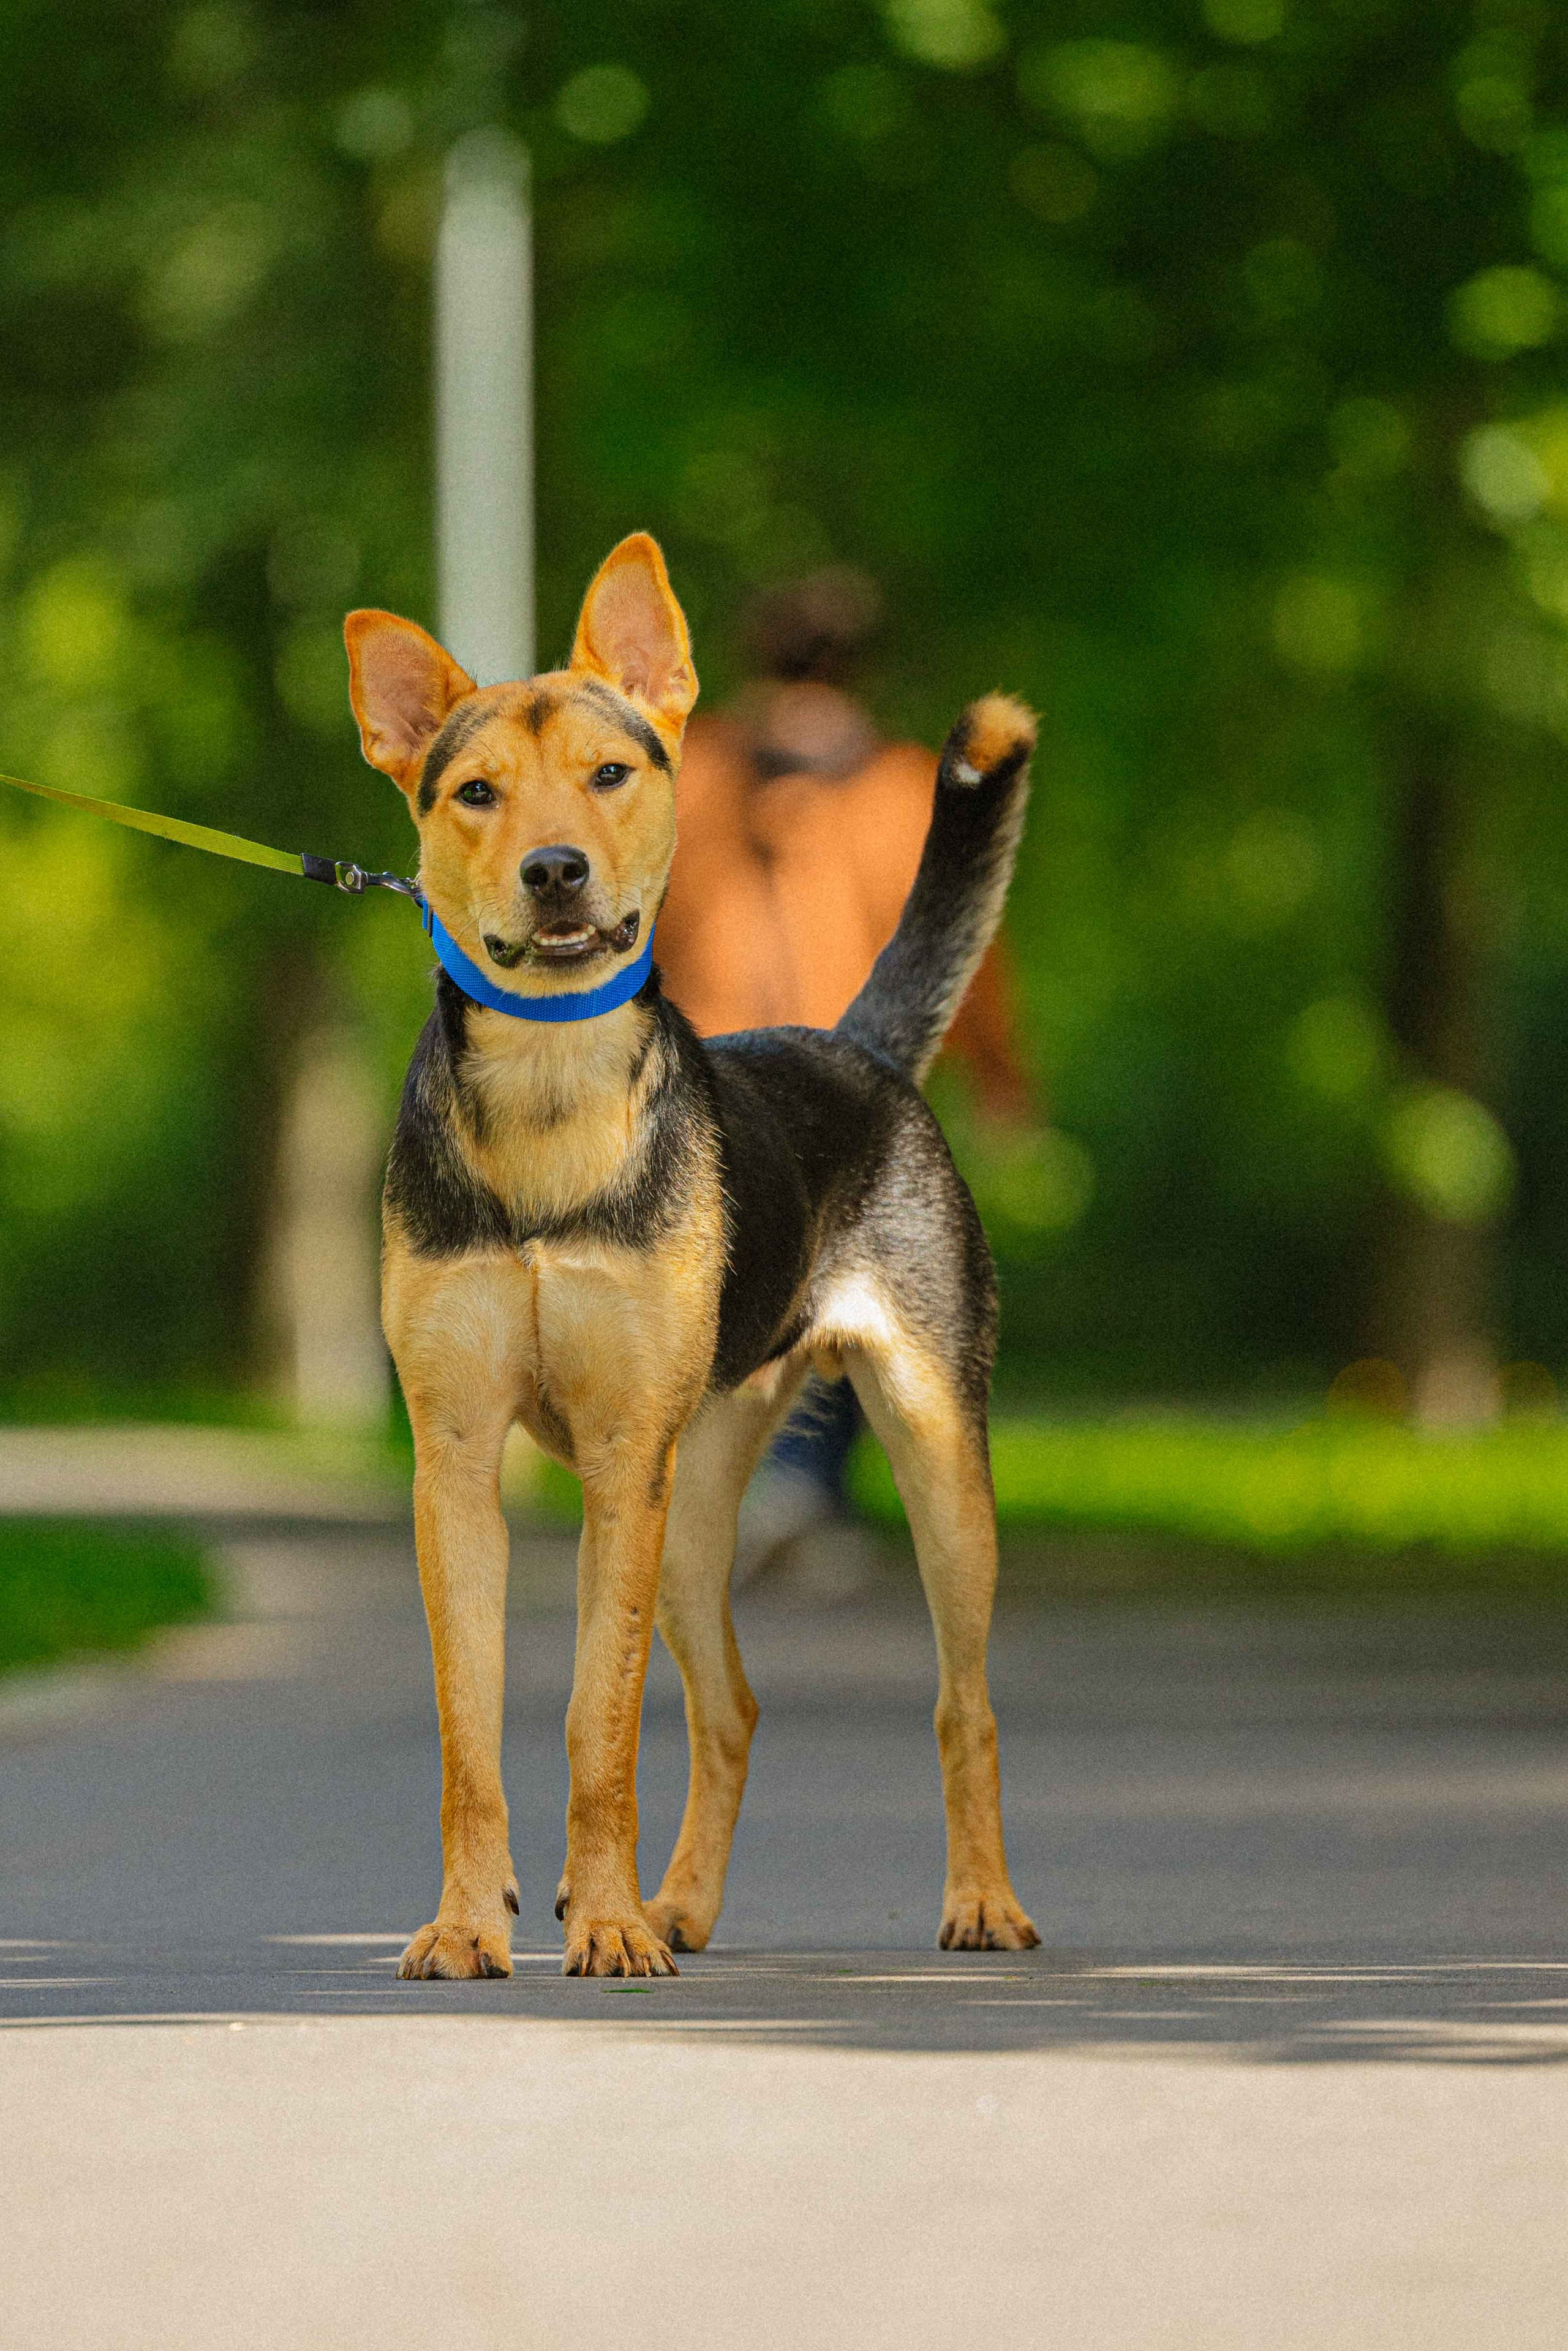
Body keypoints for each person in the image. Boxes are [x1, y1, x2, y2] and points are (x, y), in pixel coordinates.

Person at [657, 570, 1033, 1577]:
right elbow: (957, 939)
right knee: (847, 1278)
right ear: (861, 664)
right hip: (852, 1063)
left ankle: (735, 1490)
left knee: (706, 1275)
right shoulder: (902, 786)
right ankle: (801, 1490)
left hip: (705, 1056)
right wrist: (1001, 1076)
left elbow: (630, 915)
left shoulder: (691, 773)